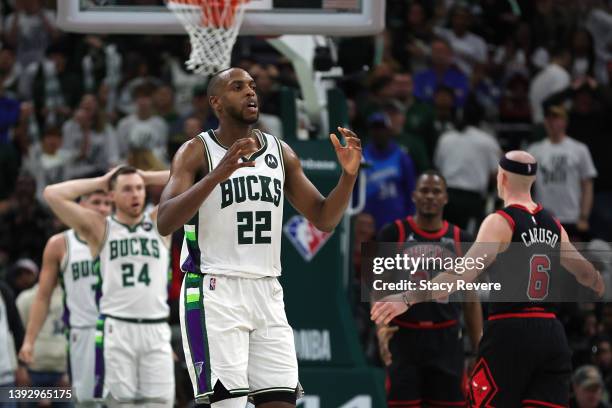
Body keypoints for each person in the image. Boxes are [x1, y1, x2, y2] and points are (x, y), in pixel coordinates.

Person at [156, 67, 361, 407]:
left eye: (252, 86)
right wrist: (217, 175)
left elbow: (324, 218)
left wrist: (348, 177)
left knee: (281, 402)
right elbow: (165, 220)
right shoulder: (196, 151)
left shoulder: (281, 153)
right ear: (216, 102)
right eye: (238, 87)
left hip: (267, 290)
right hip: (215, 290)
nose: (251, 92)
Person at [372, 151, 605, 407]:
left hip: (510, 331)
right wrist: (596, 281)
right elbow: (586, 274)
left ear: (501, 178)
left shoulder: (500, 222)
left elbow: (460, 276)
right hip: (551, 335)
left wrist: (407, 298)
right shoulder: (554, 224)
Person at [43, 166, 174, 407]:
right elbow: (52, 193)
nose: (135, 194)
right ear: (112, 195)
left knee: (160, 404)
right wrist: (102, 181)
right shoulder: (100, 228)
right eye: (126, 189)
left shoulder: (161, 220)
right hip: (117, 327)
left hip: (156, 328)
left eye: (138, 189)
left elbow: (194, 174)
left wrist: (145, 176)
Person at [375, 170, 483, 406]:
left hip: (446, 340)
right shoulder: (393, 233)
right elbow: (378, 289)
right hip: (403, 338)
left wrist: (478, 349)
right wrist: (381, 330)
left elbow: (471, 301)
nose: (430, 196)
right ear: (414, 196)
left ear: (445, 198)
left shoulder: (461, 239)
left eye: (436, 191)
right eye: (424, 190)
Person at [18, 190, 112, 406]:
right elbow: (42, 297)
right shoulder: (60, 244)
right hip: (83, 332)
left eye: (108, 203)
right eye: (96, 202)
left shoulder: (123, 238)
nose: (103, 208)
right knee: (87, 402)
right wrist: (30, 340)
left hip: (121, 329)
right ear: (78, 206)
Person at [528, 105, 597, 240]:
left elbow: (587, 185)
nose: (552, 122)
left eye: (556, 118)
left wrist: (584, 216)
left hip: (571, 216)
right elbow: (525, 185)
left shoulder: (579, 149)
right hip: (543, 217)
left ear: (565, 121)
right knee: (544, 259)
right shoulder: (535, 150)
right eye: (549, 119)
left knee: (569, 258)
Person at [362, 112, 416, 230]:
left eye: (381, 128)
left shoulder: (401, 156)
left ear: (389, 130)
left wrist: (411, 218)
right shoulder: (362, 156)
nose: (378, 132)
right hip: (369, 223)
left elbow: (411, 190)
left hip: (397, 221)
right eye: (375, 129)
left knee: (393, 249)